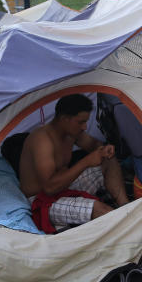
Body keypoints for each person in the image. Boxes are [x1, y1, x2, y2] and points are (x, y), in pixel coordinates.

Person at [8, 94, 129, 232]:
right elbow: (49, 188)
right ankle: (126, 228)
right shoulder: (42, 140)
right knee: (102, 210)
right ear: (64, 119)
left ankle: (126, 206)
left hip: (65, 187)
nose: (84, 127)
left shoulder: (71, 133)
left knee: (109, 160)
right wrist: (86, 162)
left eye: (85, 122)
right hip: (42, 200)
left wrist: (104, 149)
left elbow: (93, 144)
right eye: (80, 122)